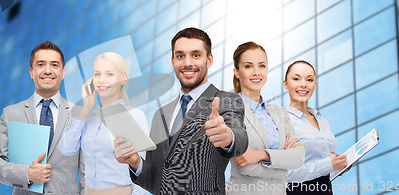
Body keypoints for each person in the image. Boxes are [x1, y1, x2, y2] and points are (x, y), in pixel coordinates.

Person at [113, 27, 248, 194]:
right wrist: (134, 162)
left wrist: (228, 136)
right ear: (173, 61)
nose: (187, 63)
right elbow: (154, 180)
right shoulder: (160, 114)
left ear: (209, 60)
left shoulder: (226, 101)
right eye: (180, 56)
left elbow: (240, 139)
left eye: (196, 55)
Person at [0, 41, 85, 194]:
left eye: (54, 65)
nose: (47, 70)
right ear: (31, 72)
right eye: (40, 65)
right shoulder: (11, 114)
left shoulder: (80, 114)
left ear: (63, 72)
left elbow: (87, 171)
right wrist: (27, 174)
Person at [59, 52, 149, 195]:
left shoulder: (135, 116)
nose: (101, 80)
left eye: (109, 74)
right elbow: (66, 149)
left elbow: (145, 172)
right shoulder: (87, 118)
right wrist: (86, 108)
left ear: (123, 78)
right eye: (97, 74)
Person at [226, 42, 305, 195]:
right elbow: (246, 166)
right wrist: (284, 167)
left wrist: (260, 155)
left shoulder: (280, 113)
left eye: (261, 66)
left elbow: (299, 157)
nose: (256, 72)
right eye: (248, 66)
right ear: (236, 72)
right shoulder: (230, 110)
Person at [283, 60, 348, 195]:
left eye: (309, 80)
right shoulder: (282, 121)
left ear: (315, 85)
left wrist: (338, 166)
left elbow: (322, 164)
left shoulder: (322, 120)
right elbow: (286, 173)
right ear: (285, 84)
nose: (303, 84)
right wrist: (328, 165)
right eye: (296, 79)